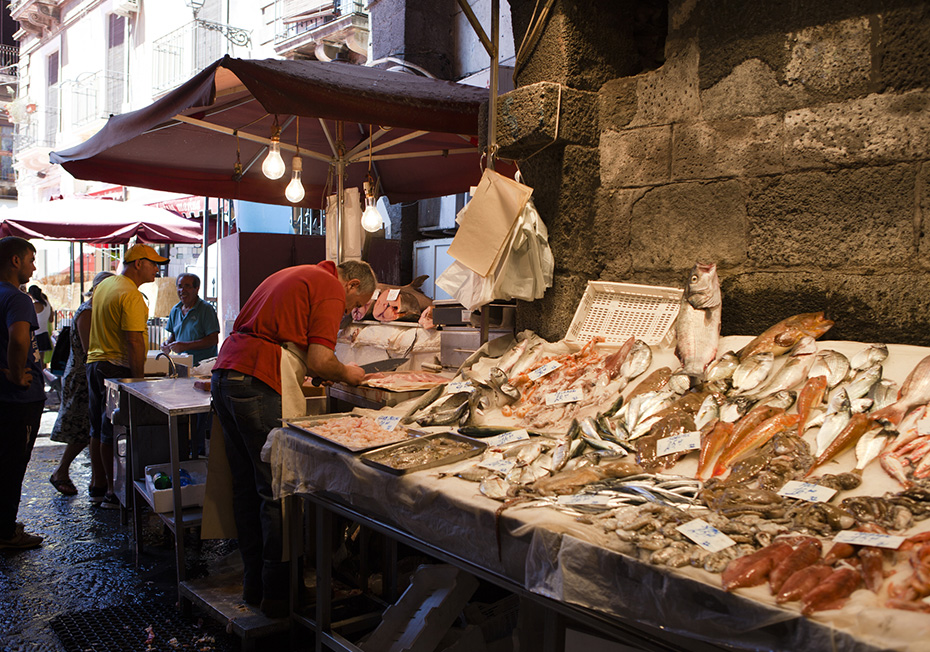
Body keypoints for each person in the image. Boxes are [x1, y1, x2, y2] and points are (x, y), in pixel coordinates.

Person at [211, 259, 376, 618]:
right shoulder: (330, 287)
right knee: (279, 490)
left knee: (248, 488)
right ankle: (281, 594)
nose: (349, 312)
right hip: (258, 378)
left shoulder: (298, 274)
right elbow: (321, 359)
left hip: (226, 375)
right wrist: (347, 373)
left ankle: (256, 585)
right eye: (355, 305)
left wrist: (318, 368)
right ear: (351, 284)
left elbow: (293, 344)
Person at [86, 243, 167, 509]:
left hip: (95, 363)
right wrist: (139, 382)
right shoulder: (131, 294)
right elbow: (133, 341)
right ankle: (113, 492)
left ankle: (98, 486)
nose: (157, 270)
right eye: (153, 264)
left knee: (98, 428)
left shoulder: (105, 285)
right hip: (115, 367)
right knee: (113, 431)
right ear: (138, 264)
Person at [48, 271, 115, 497]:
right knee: (83, 429)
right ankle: (61, 471)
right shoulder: (87, 312)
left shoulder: (96, 310)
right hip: (81, 377)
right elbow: (89, 349)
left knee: (89, 428)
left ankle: (95, 479)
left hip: (86, 375)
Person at [0, 236, 45, 549]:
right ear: (15, 261)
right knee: (12, 465)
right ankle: (6, 533)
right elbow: (18, 339)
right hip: (18, 400)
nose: (33, 267)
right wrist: (16, 374)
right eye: (31, 260)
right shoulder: (18, 298)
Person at [162, 273, 219, 457]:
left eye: (187, 286)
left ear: (196, 289)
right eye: (180, 286)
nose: (182, 290)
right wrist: (167, 344)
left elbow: (213, 339)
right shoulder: (175, 310)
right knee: (183, 409)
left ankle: (199, 450)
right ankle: (185, 450)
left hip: (203, 370)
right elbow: (173, 335)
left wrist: (185, 346)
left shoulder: (205, 309)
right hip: (182, 369)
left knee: (201, 412)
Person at [27, 285, 53, 366]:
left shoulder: (34, 305)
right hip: (44, 332)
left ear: (30, 294)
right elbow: (51, 319)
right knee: (42, 360)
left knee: (35, 360)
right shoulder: (47, 304)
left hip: (36, 334)